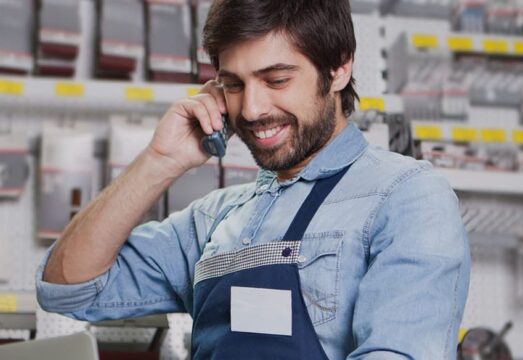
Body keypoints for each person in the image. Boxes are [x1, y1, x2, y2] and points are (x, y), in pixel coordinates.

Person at [36, 0, 470, 359]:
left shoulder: (406, 197)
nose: (252, 110)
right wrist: (159, 161)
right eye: (233, 85)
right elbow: (65, 289)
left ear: (338, 68)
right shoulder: (215, 218)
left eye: (276, 79)